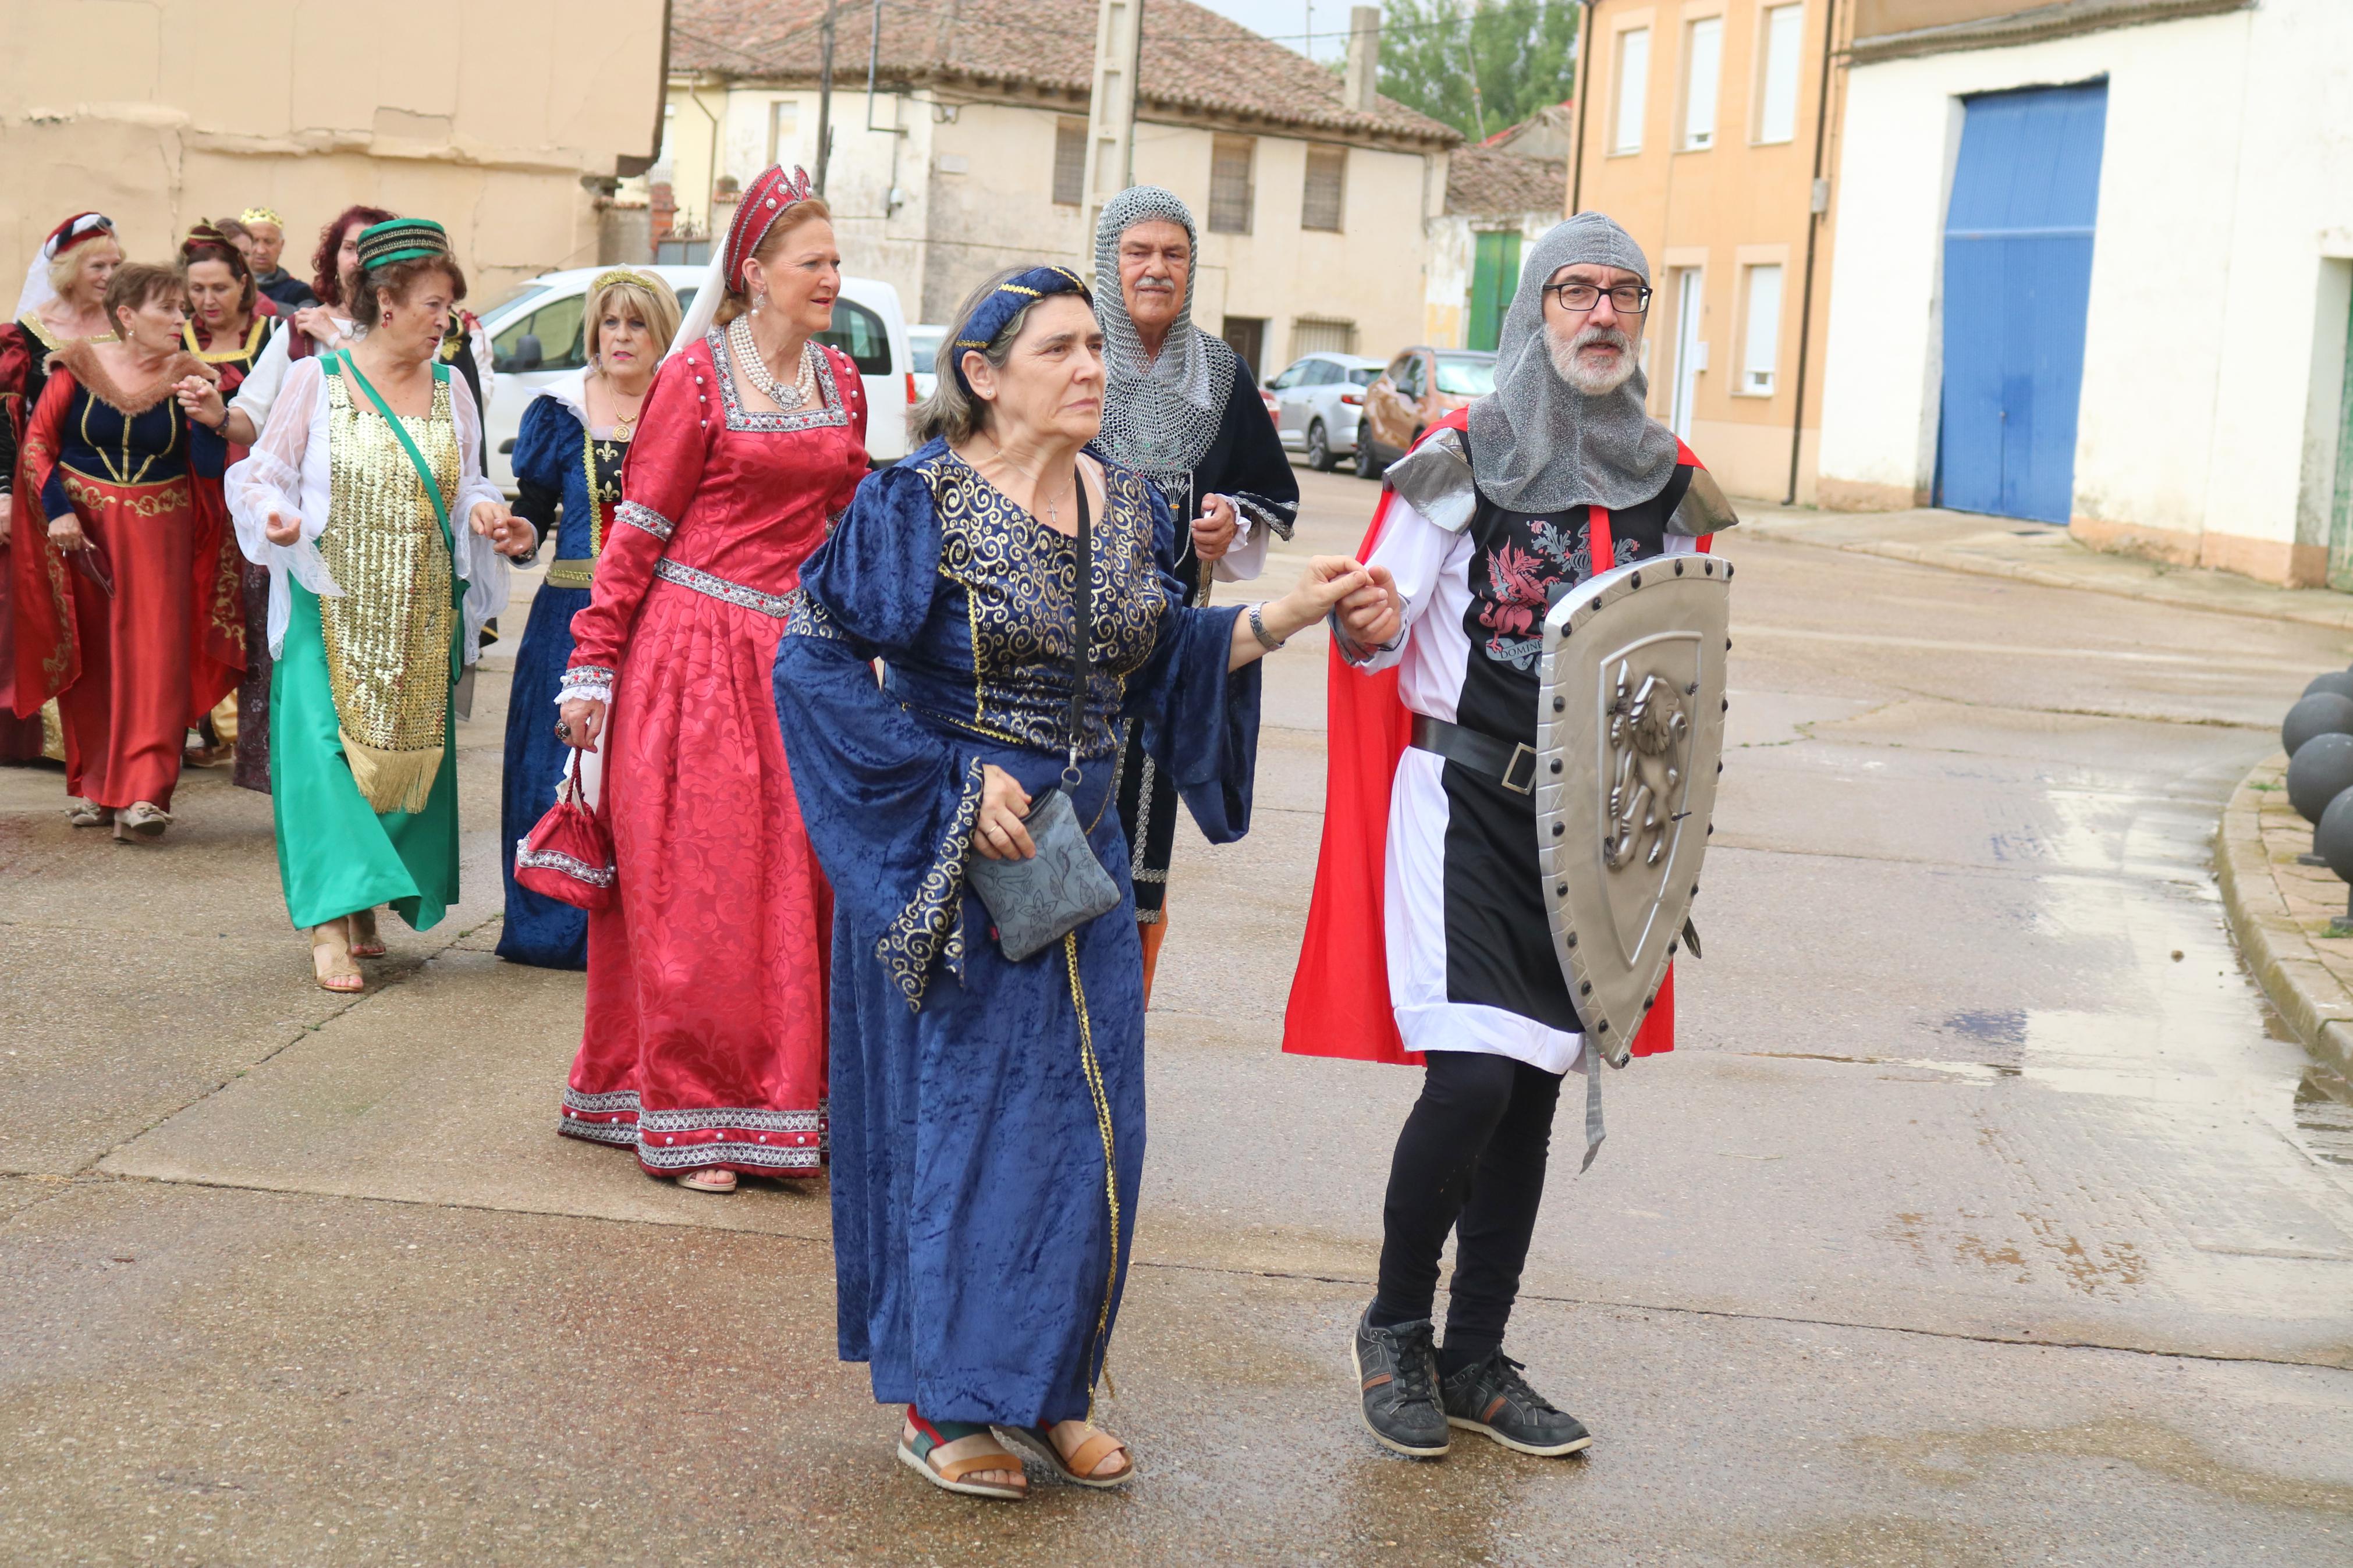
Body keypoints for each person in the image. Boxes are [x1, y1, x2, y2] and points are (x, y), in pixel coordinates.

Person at [772, 265, 1371, 1501]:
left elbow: (1161, 665)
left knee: (1089, 1130)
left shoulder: (1137, 504)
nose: (1092, 366)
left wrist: (1288, 614)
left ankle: (1048, 1390)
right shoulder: (913, 505)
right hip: (962, 854)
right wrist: (945, 782)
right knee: (966, 1128)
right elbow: (814, 665)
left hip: (1078, 858)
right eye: (1059, 348)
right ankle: (945, 1404)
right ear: (983, 376)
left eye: (1096, 346)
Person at [1285, 214, 1735, 1462]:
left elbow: (1675, 663)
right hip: (1463, 802)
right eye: (1573, 292)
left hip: (1588, 829)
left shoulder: (1670, 479)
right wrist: (1366, 620)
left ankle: (1474, 1355)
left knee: (1530, 1089)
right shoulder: (1458, 460)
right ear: (1531, 312)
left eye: (1622, 294)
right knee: (1475, 1074)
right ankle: (1391, 1326)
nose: (1600, 314)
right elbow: (1375, 629)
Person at [552, 166, 864, 1193]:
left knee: (794, 892)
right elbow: (637, 531)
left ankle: (777, 1107)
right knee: (700, 891)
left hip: (799, 664)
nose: (830, 277)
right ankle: (690, 1118)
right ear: (757, 272)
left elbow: (848, 524)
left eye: (832, 261)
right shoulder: (694, 381)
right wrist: (591, 667)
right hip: (692, 659)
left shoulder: (843, 381)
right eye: (812, 262)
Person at [225, 218, 530, 991]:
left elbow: (470, 484)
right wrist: (274, 518)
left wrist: (490, 514)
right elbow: (261, 473)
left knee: (393, 768)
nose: (446, 321)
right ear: (386, 304)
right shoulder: (315, 381)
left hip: (417, 614)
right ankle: (329, 921)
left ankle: (363, 904)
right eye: (435, 305)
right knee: (325, 761)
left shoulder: (453, 386)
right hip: (330, 604)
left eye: (451, 308)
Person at [1090, 187, 1298, 1002]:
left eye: (1172, 254)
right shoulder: (1069, 351)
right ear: (1108, 261)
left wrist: (1229, 521)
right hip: (1056, 650)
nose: (1155, 269)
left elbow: (1264, 492)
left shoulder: (1216, 374)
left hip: (1164, 655)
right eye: (1138, 252)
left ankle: (1113, 1053)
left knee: (1138, 875)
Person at [9, 262, 242, 840]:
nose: (181, 320)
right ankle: (99, 785)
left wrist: (209, 420)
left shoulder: (193, 378)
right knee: (93, 659)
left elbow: (211, 472)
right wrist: (58, 509)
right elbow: (39, 444)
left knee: (157, 658)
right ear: (127, 316)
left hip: (163, 533)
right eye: (168, 309)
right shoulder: (78, 366)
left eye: (183, 310)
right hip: (82, 531)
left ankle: (145, 794)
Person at [496, 267, 681, 970]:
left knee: (643, 769)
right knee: (555, 760)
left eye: (636, 323)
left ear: (663, 332)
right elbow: (535, 511)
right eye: (610, 323)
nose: (621, 337)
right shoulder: (561, 408)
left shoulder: (685, 406)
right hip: (569, 613)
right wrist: (520, 533)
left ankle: (639, 928)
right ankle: (554, 925)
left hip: (658, 617)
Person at [220, 206, 494, 461]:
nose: (358, 260)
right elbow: (254, 422)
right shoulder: (301, 330)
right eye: (350, 248)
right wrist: (217, 416)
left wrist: (334, 338)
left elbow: (399, 387)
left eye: (367, 250)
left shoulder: (421, 329)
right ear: (334, 257)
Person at [0, 212, 122, 765]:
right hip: (43, 488)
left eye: (116, 264)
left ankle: (113, 729)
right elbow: (7, 421)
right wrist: (5, 489)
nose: (110, 274)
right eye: (100, 265)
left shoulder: (127, 324)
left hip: (116, 492)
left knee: (112, 607)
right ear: (71, 270)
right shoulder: (26, 335)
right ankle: (54, 737)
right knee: (51, 604)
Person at [178, 222, 279, 773]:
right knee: (193, 607)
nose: (207, 300)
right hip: (191, 495)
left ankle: (245, 736)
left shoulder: (276, 335)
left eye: (218, 288)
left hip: (252, 492)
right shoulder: (175, 338)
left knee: (253, 613)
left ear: (244, 283)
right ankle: (197, 726)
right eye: (197, 290)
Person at [241, 207, 318, 310]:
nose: (261, 250)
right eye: (254, 241)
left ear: (281, 245)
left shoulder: (300, 292)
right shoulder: (230, 286)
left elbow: (306, 319)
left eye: (269, 242)